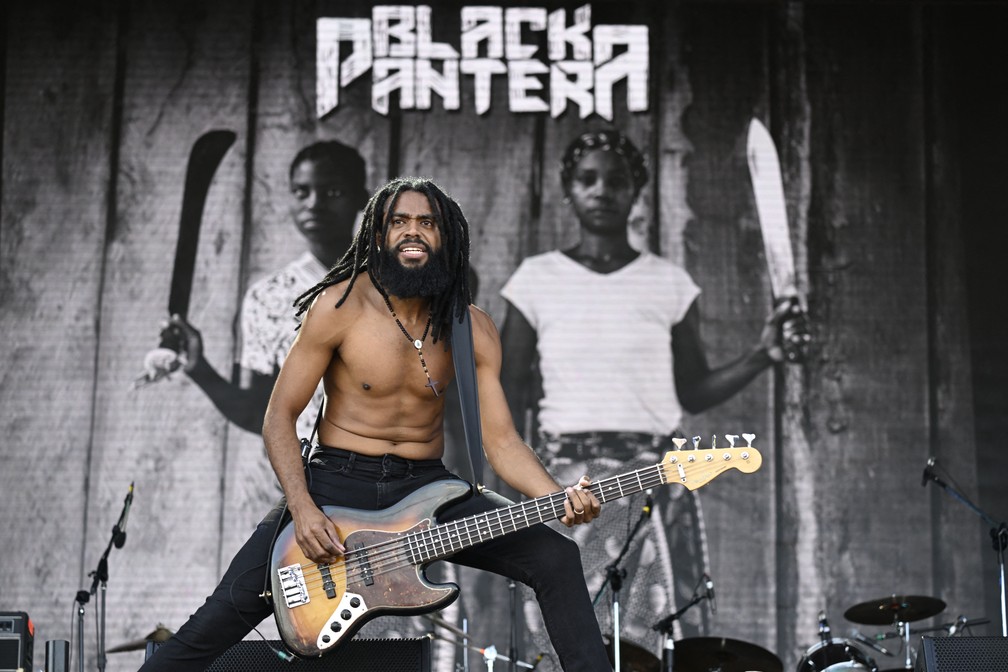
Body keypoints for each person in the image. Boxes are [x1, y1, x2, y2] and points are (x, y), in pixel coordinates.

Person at [140, 177, 611, 672]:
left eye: (426, 223)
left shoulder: (471, 327)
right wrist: (302, 509)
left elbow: (500, 440)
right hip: (334, 484)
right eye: (399, 222)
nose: (413, 232)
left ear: (445, 237)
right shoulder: (339, 306)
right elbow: (279, 416)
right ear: (377, 235)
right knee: (211, 627)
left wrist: (556, 497)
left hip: (428, 487)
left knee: (555, 556)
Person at [499, 129, 805, 667]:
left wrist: (765, 354)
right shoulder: (536, 280)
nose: (602, 191)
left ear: (636, 190)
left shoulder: (668, 283)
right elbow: (510, 390)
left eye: (617, 180)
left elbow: (693, 389)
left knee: (657, 639)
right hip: (567, 483)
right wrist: (518, 480)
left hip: (655, 479)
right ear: (568, 190)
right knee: (564, 637)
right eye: (587, 180)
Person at [143, 140, 369, 437]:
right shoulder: (268, 298)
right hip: (313, 478)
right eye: (302, 192)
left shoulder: (398, 284)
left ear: (362, 199)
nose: (314, 203)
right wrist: (200, 368)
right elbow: (256, 411)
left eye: (333, 192)